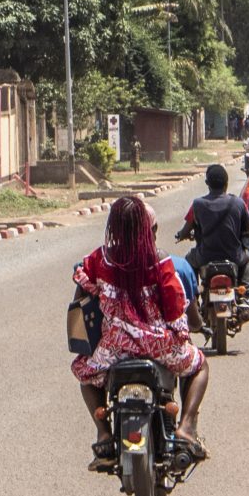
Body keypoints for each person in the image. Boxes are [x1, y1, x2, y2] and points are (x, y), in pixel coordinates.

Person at [70, 197, 210, 468]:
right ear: (147, 228)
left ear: (114, 227)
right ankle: (187, 426)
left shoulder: (100, 259)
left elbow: (80, 300)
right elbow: (173, 310)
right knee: (200, 366)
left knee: (85, 373)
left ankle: (103, 433)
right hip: (159, 347)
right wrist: (180, 335)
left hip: (115, 347)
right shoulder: (160, 260)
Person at [175, 163, 249, 314]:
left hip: (204, 257)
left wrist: (181, 235)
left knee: (188, 261)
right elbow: (248, 228)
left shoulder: (197, 204)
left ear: (207, 183)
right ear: (227, 183)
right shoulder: (238, 203)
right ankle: (244, 296)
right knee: (248, 260)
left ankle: (193, 297)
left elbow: (186, 230)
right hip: (234, 256)